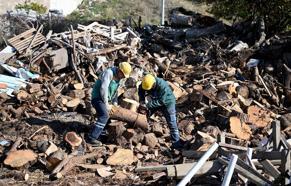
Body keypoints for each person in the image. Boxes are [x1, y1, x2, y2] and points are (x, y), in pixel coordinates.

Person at [87, 62, 132, 146]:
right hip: (98, 98)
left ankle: (101, 134)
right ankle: (91, 138)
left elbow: (115, 92)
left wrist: (115, 103)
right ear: (119, 70)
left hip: (106, 99)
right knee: (104, 116)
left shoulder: (119, 78)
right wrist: (106, 104)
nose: (123, 77)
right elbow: (103, 89)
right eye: (123, 74)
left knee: (109, 116)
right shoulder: (109, 73)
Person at [138, 74, 183, 149]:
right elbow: (141, 90)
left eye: (149, 89)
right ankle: (140, 134)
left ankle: (176, 144)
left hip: (168, 103)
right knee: (144, 114)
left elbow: (162, 101)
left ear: (154, 84)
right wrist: (142, 101)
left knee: (172, 123)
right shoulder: (145, 83)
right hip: (156, 100)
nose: (148, 90)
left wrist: (148, 105)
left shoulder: (162, 85)